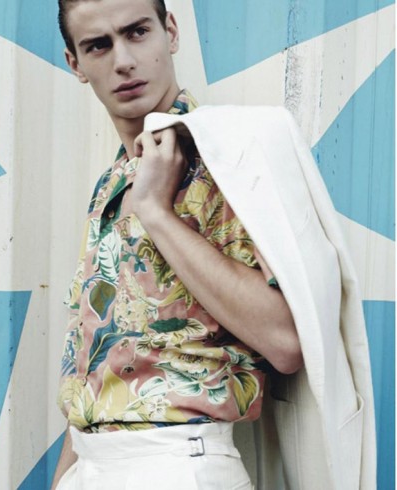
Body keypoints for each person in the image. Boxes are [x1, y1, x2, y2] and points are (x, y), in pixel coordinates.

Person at [51, 1, 308, 488]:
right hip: (91, 465)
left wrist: (156, 211)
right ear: (76, 64)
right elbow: (96, 366)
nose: (123, 60)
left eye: (137, 32)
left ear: (170, 31)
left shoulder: (228, 158)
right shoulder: (111, 183)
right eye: (98, 46)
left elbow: (286, 342)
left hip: (178, 464)